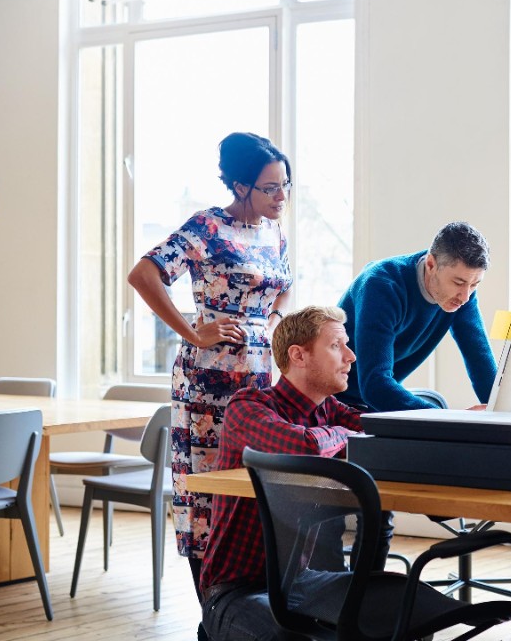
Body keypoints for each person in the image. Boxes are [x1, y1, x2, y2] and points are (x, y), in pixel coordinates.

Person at [127, 131, 293, 601]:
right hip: (207, 381)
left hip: (260, 375)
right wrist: (193, 332)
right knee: (205, 492)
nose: (281, 197)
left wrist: (272, 322)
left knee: (250, 484)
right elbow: (144, 274)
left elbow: (284, 286)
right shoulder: (208, 227)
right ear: (240, 186)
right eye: (270, 188)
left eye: (285, 185)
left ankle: (247, 606)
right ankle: (212, 609)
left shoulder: (274, 232)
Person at [199, 305, 373, 640]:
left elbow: (382, 433)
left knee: (398, 604)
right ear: (298, 355)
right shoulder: (248, 406)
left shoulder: (329, 410)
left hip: (297, 582)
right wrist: (344, 434)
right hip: (235, 592)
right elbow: (302, 447)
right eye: (336, 345)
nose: (350, 356)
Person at [337, 221, 497, 411]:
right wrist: (449, 420)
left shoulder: (463, 295)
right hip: (334, 403)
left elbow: (480, 362)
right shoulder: (381, 286)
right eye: (458, 282)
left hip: (375, 405)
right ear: (431, 264)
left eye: (475, 284)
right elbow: (375, 385)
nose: (465, 297)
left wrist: (503, 412)